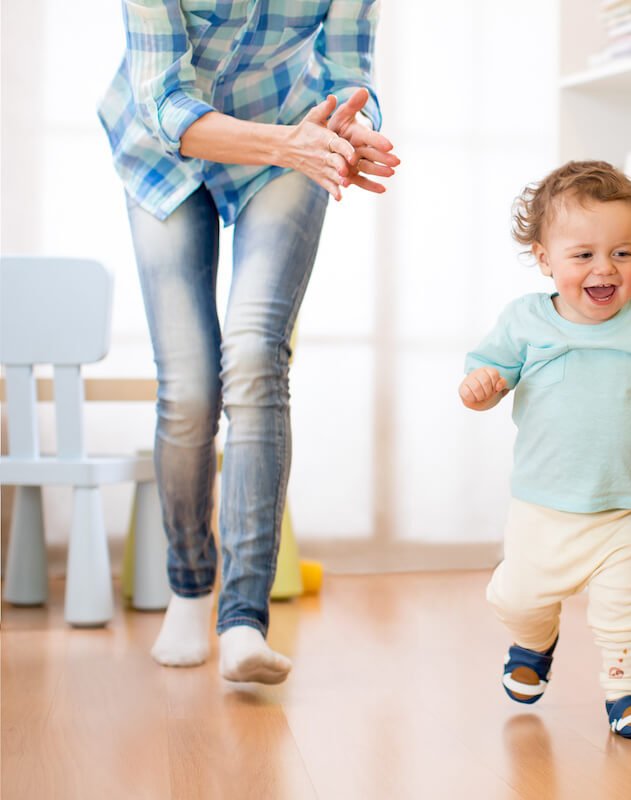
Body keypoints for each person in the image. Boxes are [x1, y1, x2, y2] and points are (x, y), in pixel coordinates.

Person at [99, 1, 400, 684]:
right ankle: (189, 585)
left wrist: (351, 130)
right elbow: (162, 100)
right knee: (190, 386)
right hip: (166, 146)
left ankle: (242, 621)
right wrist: (287, 143)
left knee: (258, 356)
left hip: (290, 132)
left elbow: (350, 73)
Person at [459, 160, 631, 739]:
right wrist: (482, 388)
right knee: (519, 596)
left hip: (625, 501)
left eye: (623, 253)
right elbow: (487, 375)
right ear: (545, 260)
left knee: (625, 607)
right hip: (543, 502)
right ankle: (534, 638)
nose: (605, 268)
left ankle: (628, 694)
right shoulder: (525, 321)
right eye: (583, 255)